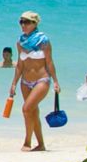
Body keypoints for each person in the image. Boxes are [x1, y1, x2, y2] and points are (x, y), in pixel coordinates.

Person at [9, 11, 58, 152]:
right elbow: (20, 64)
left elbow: (49, 62)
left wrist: (55, 81)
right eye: (21, 22)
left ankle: (27, 142)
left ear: (35, 23)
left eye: (27, 22)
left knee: (26, 109)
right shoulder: (20, 41)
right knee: (32, 112)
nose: (23, 25)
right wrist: (13, 84)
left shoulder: (43, 40)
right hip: (25, 82)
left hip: (41, 80)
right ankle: (41, 144)